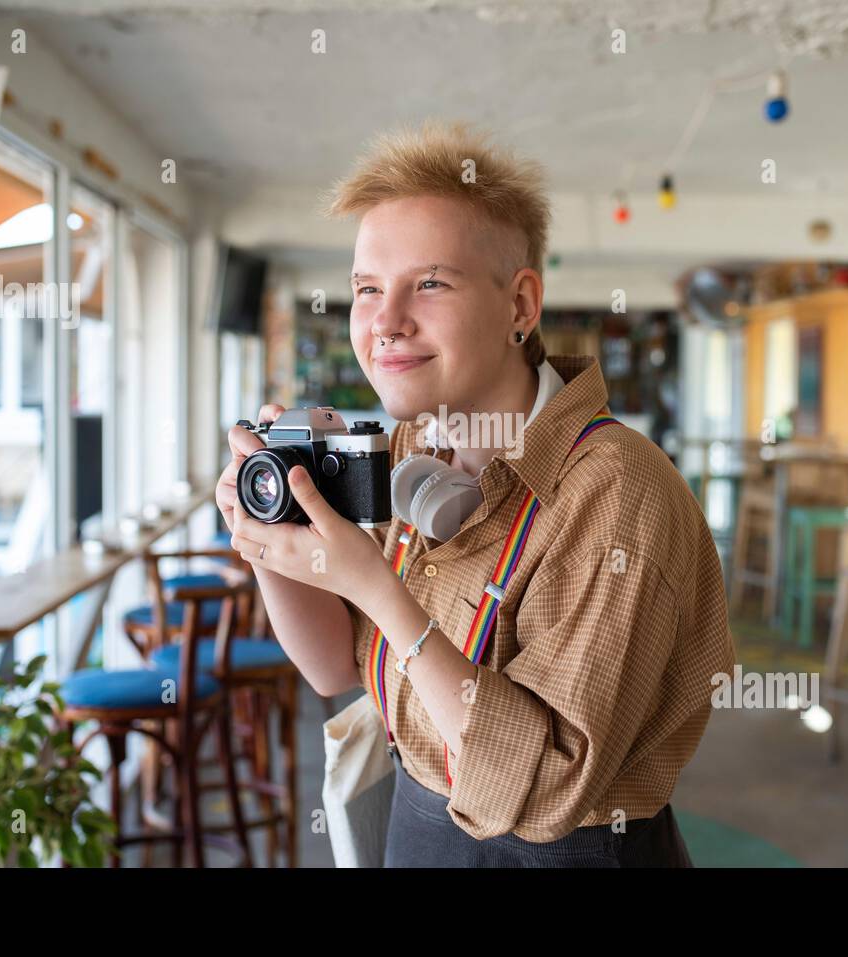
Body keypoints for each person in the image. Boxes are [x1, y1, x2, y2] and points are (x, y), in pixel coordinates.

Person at [215, 119, 734, 867]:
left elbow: (549, 787)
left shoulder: (617, 492)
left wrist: (378, 586)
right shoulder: (413, 449)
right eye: (366, 289)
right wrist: (262, 528)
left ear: (520, 306)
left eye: (429, 283)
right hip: (418, 829)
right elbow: (336, 667)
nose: (385, 323)